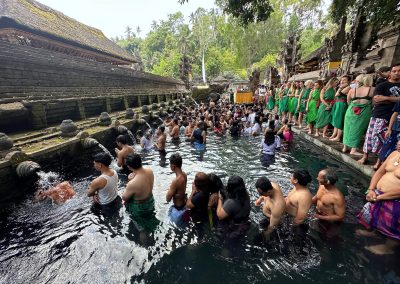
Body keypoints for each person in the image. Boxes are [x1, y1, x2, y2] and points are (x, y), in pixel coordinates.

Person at [357, 142, 400, 254]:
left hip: (395, 200)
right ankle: (375, 232)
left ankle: (387, 248)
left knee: (395, 227)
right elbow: (380, 171)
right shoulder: (395, 153)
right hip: (378, 195)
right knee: (377, 217)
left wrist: (380, 197)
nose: (398, 143)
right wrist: (371, 189)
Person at [358, 64, 400, 167]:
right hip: (379, 114)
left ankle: (378, 162)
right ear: (390, 72)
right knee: (370, 136)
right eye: (394, 71)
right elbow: (376, 99)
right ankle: (365, 156)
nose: (397, 73)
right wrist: (394, 99)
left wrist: (386, 98)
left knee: (384, 140)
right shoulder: (382, 85)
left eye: (399, 71)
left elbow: (383, 99)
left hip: (394, 116)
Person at [342, 74, 374, 155]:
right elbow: (374, 103)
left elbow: (348, 101)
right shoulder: (373, 89)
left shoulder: (353, 89)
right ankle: (353, 149)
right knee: (358, 129)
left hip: (351, 110)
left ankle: (345, 147)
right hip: (364, 111)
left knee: (347, 128)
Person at [123, 153, 156, 220]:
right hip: (150, 200)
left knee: (140, 224)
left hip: (139, 207)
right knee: (150, 217)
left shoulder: (132, 183)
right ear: (141, 161)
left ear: (129, 167)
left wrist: (129, 180)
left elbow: (124, 198)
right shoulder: (150, 171)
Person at [166, 153, 188, 225]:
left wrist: (170, 190)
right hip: (184, 205)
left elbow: (167, 199)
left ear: (173, 166)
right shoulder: (184, 175)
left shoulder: (175, 181)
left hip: (178, 208)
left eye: (170, 164)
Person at [329, 76, 351, 142]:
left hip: (342, 104)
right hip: (338, 104)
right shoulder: (341, 87)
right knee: (336, 120)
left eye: (344, 80)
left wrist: (340, 87)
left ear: (348, 81)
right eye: (341, 80)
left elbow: (337, 95)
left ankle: (338, 137)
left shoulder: (348, 87)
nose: (342, 81)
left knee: (339, 120)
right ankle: (334, 134)